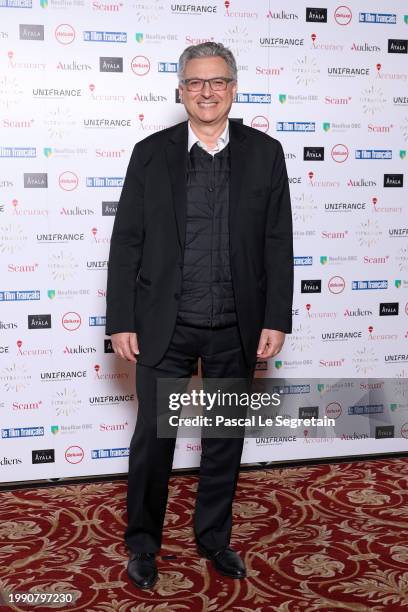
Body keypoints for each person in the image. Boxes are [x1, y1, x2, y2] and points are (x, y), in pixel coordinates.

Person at [106, 42, 293, 590]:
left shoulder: (266, 153)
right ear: (180, 91)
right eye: (195, 83)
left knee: (223, 443)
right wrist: (121, 319)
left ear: (233, 89)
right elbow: (127, 243)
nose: (206, 92)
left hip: (237, 323)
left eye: (216, 82)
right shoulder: (150, 153)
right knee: (153, 444)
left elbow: (278, 243)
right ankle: (142, 544)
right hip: (166, 324)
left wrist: (275, 317)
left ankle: (215, 539)